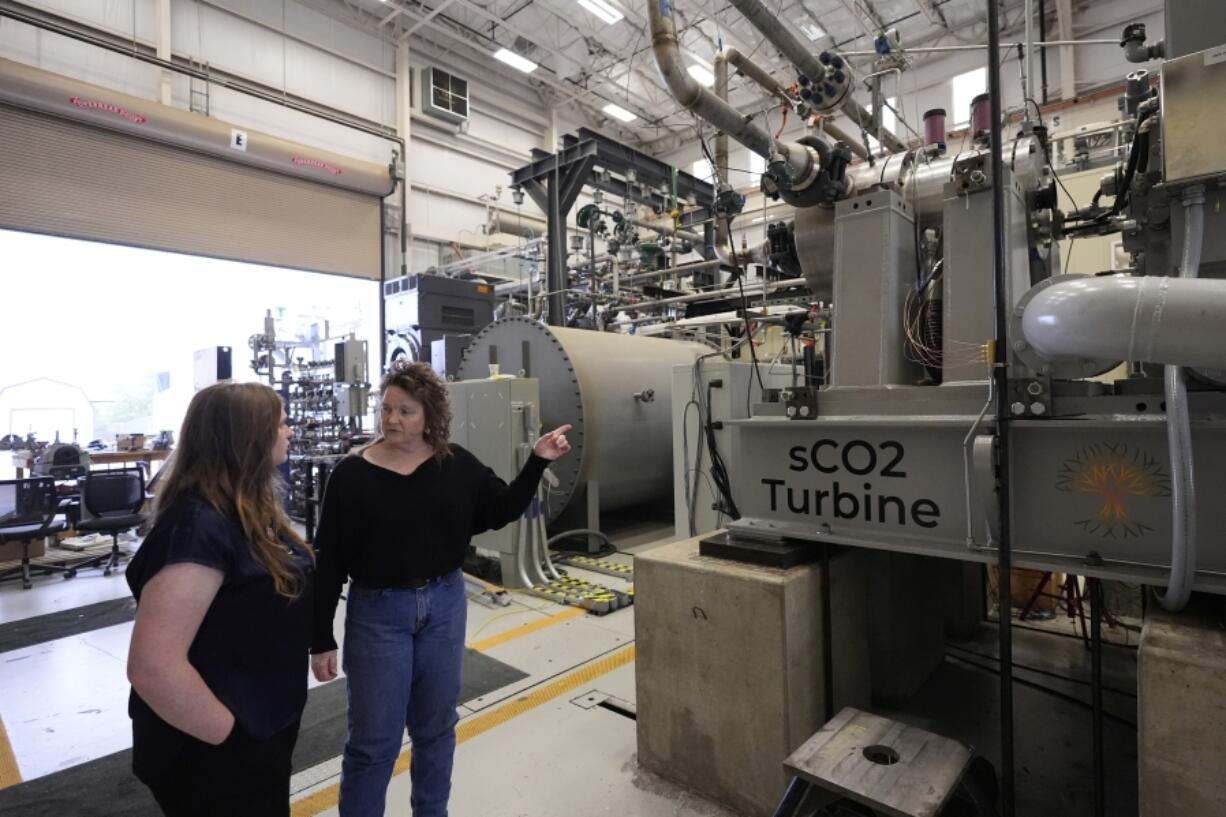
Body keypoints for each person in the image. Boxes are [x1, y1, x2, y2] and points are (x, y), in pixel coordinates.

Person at [310, 360, 572, 817]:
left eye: (406, 411)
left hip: (444, 606)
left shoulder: (456, 465)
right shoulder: (350, 476)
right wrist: (319, 637)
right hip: (378, 613)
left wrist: (537, 461)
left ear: (430, 415)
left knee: (435, 729)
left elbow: (501, 509)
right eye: (387, 409)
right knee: (374, 742)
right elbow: (328, 558)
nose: (392, 419)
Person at [126, 382, 313, 817]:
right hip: (216, 754)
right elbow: (153, 666)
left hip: (259, 728)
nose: (289, 432)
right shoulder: (198, 527)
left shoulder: (244, 510)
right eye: (281, 423)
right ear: (248, 437)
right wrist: (232, 738)